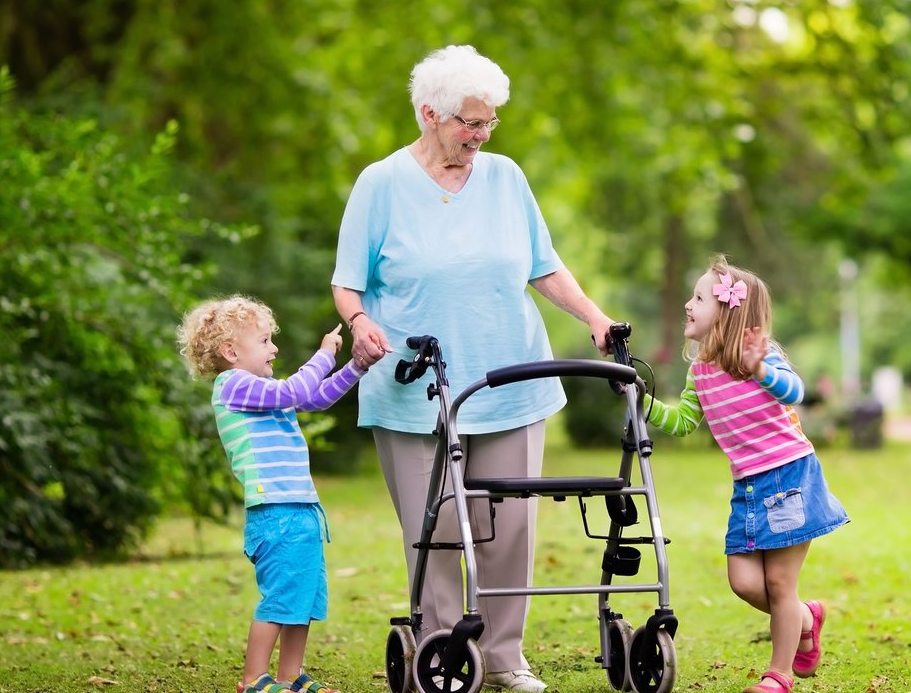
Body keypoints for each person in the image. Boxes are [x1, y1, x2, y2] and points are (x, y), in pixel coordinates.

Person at [330, 44, 613, 693]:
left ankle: (506, 655)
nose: (481, 136)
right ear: (430, 114)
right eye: (470, 124)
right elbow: (348, 284)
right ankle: (444, 655)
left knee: (509, 527)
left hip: (511, 377)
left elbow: (543, 264)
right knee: (433, 533)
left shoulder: (506, 177)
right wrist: (360, 323)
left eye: (489, 123)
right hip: (414, 387)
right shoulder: (381, 183)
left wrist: (594, 318)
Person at [642, 255, 850, 693]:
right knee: (744, 582)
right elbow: (682, 423)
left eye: (698, 297)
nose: (687, 304)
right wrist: (641, 402)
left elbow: (796, 391)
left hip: (790, 477)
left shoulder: (762, 358)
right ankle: (806, 617)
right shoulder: (698, 372)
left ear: (727, 311)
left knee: (778, 583)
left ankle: (779, 675)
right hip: (748, 486)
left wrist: (759, 369)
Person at [176, 295, 371, 693]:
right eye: (265, 341)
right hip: (275, 512)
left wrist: (357, 366)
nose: (274, 348)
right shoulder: (232, 386)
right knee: (281, 595)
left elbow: (315, 397)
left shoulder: (261, 389)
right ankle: (253, 679)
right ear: (231, 352)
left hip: (299, 508)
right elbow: (296, 392)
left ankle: (290, 676)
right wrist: (323, 355)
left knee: (302, 597)